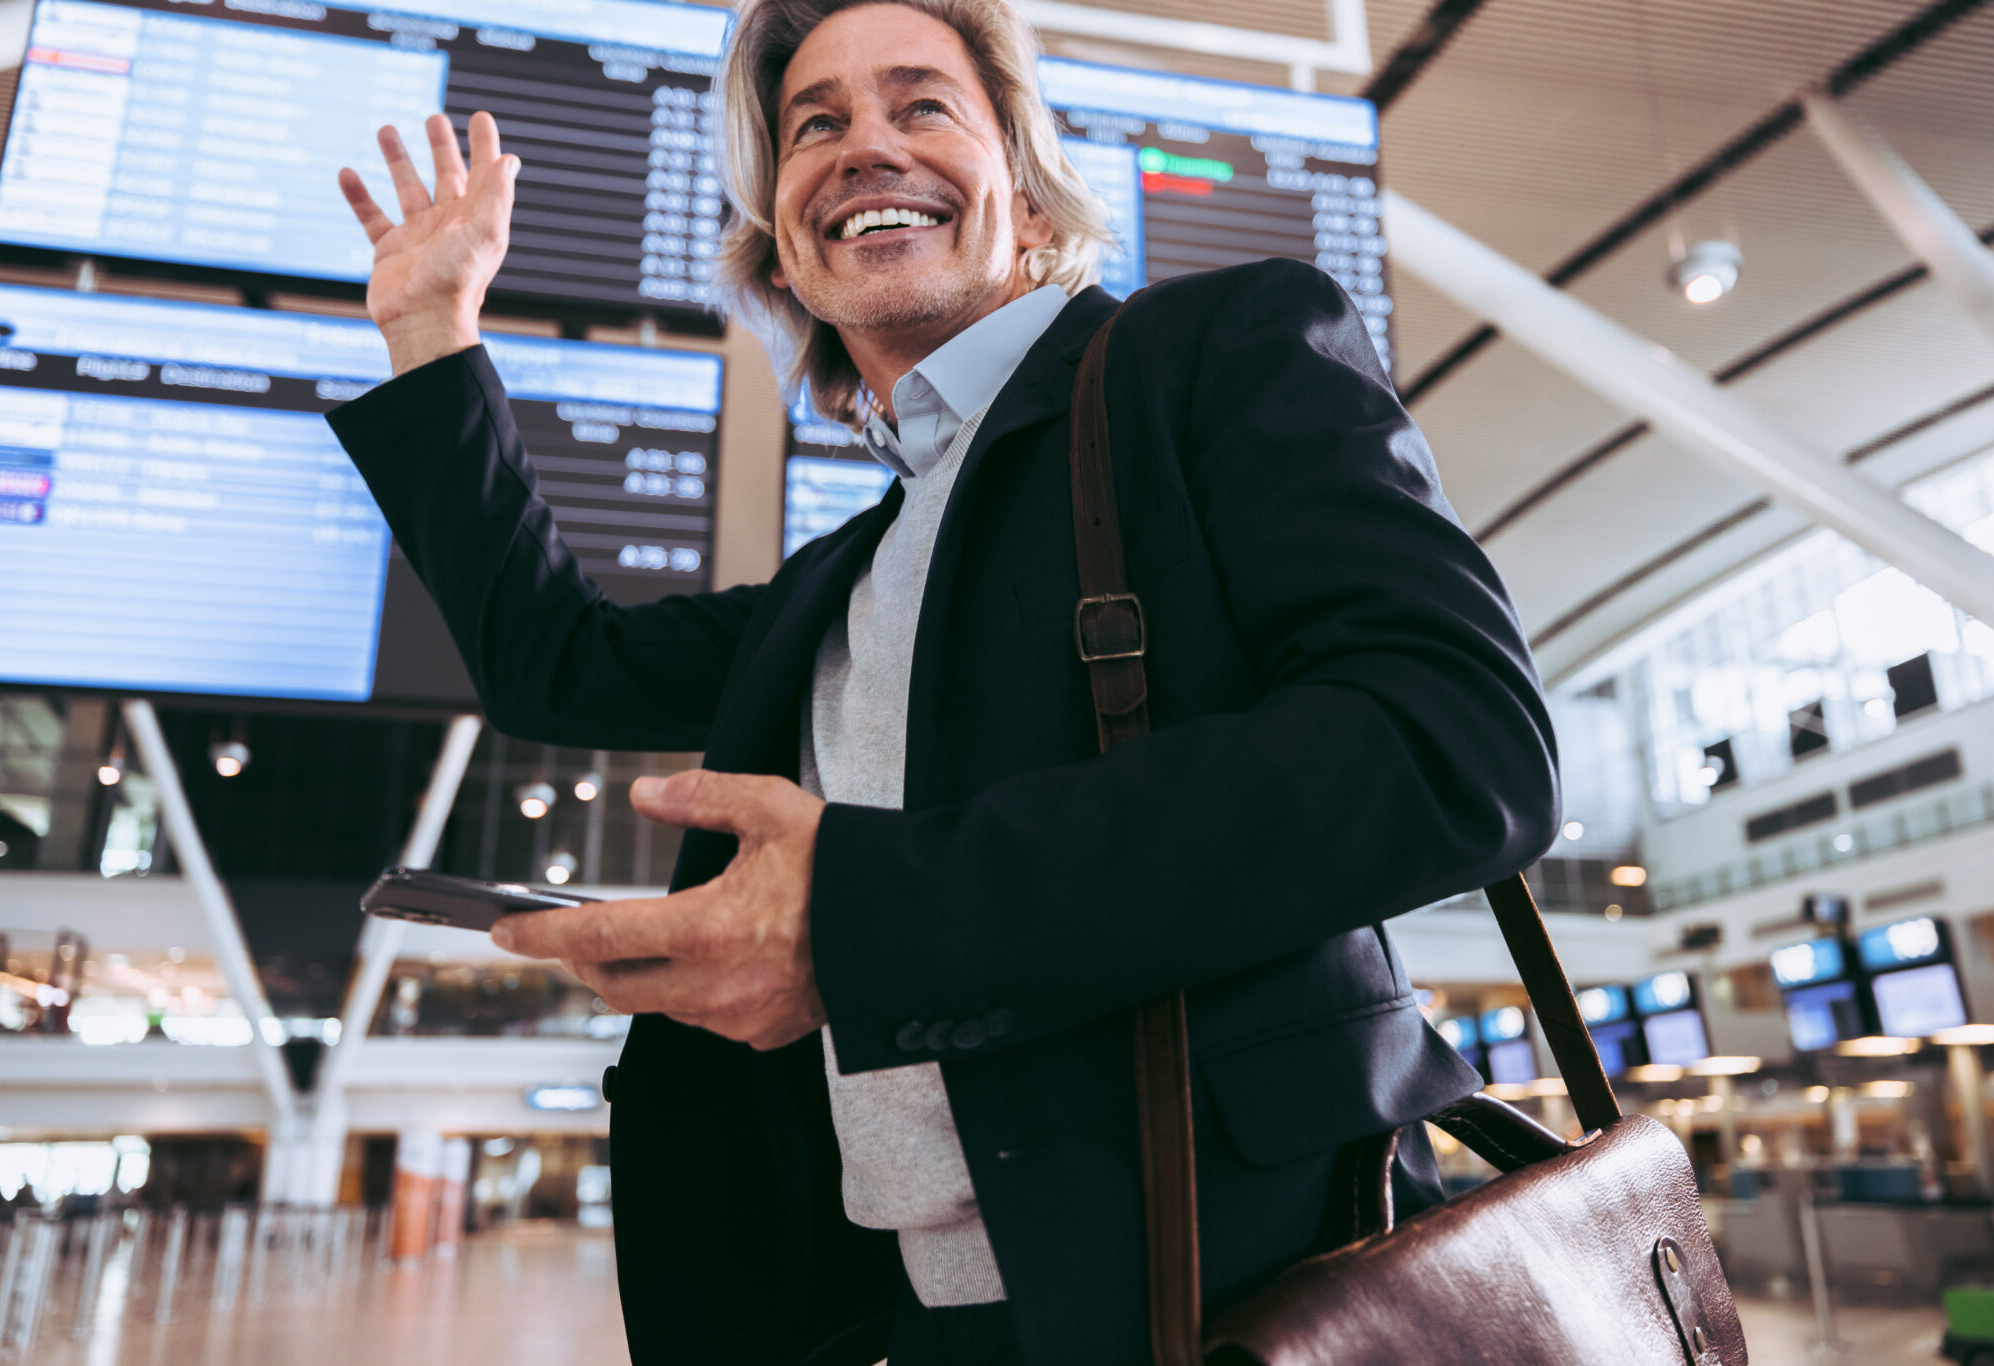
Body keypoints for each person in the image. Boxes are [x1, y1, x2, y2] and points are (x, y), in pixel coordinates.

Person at [327, 1, 1559, 1361]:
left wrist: (859, 914)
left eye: (922, 105)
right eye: (816, 125)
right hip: (915, 1320)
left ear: (1026, 198)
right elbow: (551, 659)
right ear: (785, 254)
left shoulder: (1208, 361)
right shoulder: (840, 584)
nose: (864, 147)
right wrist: (432, 332)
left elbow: (1456, 741)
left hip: (1232, 1290)